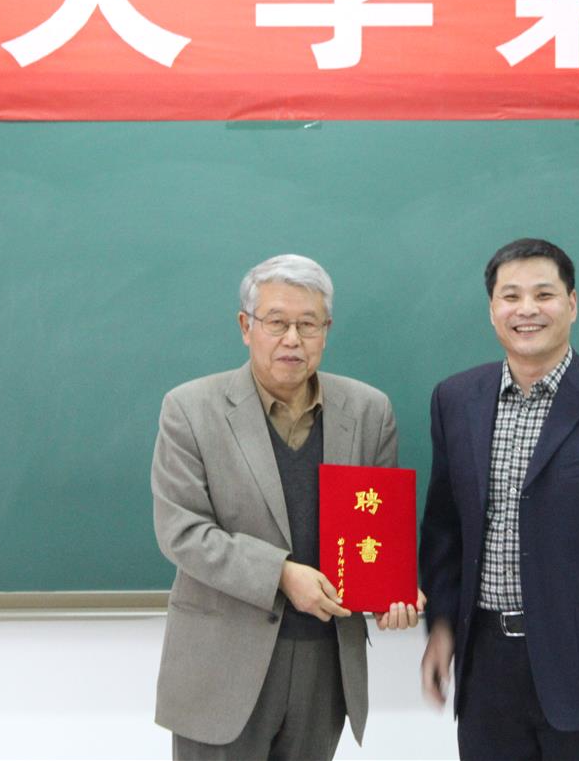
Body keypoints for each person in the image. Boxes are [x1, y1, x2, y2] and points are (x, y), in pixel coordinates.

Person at [152, 254, 421, 760]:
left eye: (308, 324)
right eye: (276, 322)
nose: (292, 339)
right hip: (221, 665)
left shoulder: (369, 411)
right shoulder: (189, 409)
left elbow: (376, 530)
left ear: (326, 330)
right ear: (245, 326)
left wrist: (391, 590)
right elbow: (181, 531)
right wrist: (280, 574)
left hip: (325, 664)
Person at [418, 238, 579, 760]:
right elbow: (444, 528)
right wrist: (441, 627)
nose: (527, 309)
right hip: (485, 666)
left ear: (571, 305)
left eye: (544, 294)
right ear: (492, 309)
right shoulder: (455, 399)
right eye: (510, 296)